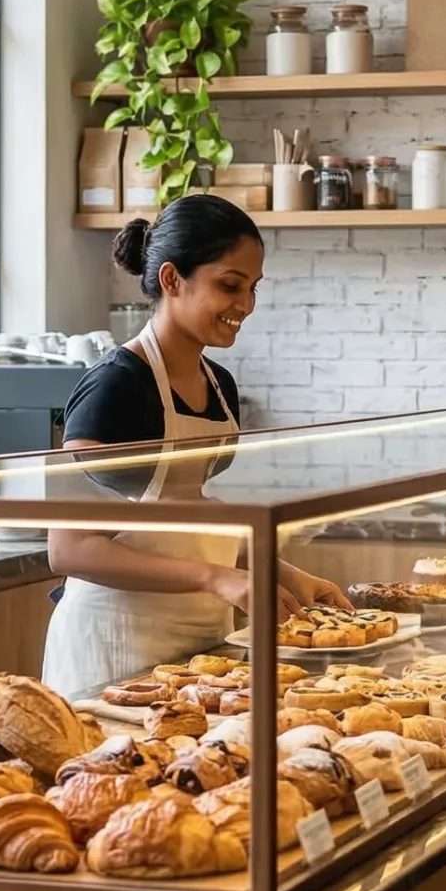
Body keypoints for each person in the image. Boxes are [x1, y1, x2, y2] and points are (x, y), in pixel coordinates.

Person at [45, 196, 346, 692]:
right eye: (230, 285)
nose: (245, 306)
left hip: (200, 643)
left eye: (252, 289)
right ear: (171, 279)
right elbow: (70, 549)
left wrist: (288, 574)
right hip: (113, 645)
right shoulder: (115, 387)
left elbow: (187, 520)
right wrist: (216, 579)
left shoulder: (219, 386)